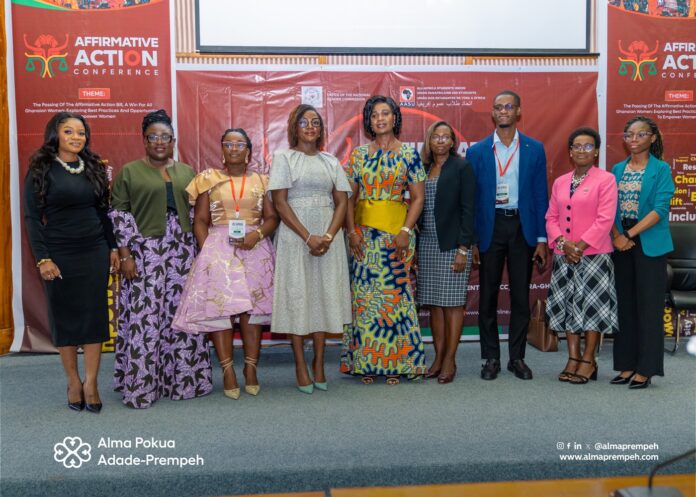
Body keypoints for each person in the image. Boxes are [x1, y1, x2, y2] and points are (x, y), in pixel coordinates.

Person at [110, 109, 213, 408]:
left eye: (164, 137)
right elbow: (118, 215)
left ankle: (182, 382)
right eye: (153, 137)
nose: (159, 142)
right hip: (145, 252)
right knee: (146, 318)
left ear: (173, 141)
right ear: (144, 140)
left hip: (181, 251)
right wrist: (126, 254)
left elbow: (198, 214)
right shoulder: (129, 171)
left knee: (181, 315)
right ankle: (142, 386)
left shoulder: (187, 172)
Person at [172, 128, 278, 399]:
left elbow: (271, 218)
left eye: (239, 143)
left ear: (249, 151)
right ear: (221, 150)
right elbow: (200, 220)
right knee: (219, 310)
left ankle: (251, 368)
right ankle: (228, 369)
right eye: (228, 144)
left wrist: (258, 234)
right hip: (219, 246)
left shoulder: (263, 180)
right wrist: (210, 250)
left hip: (254, 247)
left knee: (252, 310)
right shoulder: (208, 179)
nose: (233, 148)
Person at [24, 112, 119, 413]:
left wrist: (113, 248)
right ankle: (72, 381)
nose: (76, 137)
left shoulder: (93, 166)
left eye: (81, 132)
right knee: (65, 319)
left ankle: (91, 383)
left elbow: (104, 212)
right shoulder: (41, 168)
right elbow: (32, 217)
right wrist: (43, 258)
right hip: (58, 253)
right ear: (56, 134)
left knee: (93, 317)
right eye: (69, 131)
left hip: (94, 250)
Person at [340, 95, 427, 385]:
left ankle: (397, 364)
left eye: (385, 113)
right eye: (374, 114)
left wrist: (405, 231)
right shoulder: (359, 156)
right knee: (365, 303)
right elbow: (348, 198)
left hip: (397, 238)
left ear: (394, 118)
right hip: (363, 238)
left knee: (395, 301)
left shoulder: (409, 155)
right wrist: (351, 232)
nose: (380, 118)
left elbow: (417, 198)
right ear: (369, 121)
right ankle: (366, 363)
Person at [466, 90, 549, 381]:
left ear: (518, 111)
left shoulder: (534, 149)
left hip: (521, 229)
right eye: (498, 107)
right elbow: (472, 200)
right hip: (490, 229)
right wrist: (473, 240)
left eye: (508, 106)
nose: (503, 111)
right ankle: (490, 357)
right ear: (493, 113)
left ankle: (517, 358)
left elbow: (541, 196)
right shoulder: (477, 152)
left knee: (520, 298)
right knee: (487, 297)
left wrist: (541, 238)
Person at [269, 105, 352, 394]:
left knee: (323, 297)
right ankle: (300, 365)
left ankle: (318, 363)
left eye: (315, 122)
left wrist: (328, 235)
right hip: (295, 238)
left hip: (329, 236)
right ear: (294, 127)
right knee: (298, 297)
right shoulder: (284, 158)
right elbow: (280, 202)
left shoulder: (331, 161)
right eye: (304, 122)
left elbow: (342, 202)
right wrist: (308, 237)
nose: (310, 126)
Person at [545, 127, 619, 384]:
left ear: (596, 151)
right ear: (570, 151)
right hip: (564, 255)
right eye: (577, 146)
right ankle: (573, 358)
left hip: (594, 256)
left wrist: (580, 246)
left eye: (588, 146)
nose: (582, 150)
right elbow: (551, 217)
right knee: (568, 307)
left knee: (591, 310)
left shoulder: (606, 180)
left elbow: (605, 219)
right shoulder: (560, 182)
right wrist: (564, 244)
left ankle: (589, 360)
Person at [610, 115, 674, 389]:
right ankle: (625, 365)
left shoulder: (660, 169)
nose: (633, 139)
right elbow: (608, 207)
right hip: (620, 243)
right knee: (624, 306)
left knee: (648, 307)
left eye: (640, 134)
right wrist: (616, 236)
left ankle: (645, 369)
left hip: (648, 242)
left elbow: (660, 210)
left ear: (653, 138)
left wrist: (629, 235)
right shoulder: (616, 168)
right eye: (629, 135)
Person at [416, 121, 475, 384]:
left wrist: (464, 248)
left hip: (453, 245)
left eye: (445, 137)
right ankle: (438, 357)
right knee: (435, 305)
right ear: (429, 141)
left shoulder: (461, 167)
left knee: (452, 305)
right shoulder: (424, 168)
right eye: (435, 137)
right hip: (427, 244)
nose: (440, 141)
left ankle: (450, 359)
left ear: (453, 142)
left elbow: (468, 210)